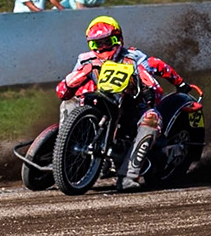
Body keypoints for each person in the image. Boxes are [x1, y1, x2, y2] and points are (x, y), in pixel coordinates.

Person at [55, 16, 189, 190]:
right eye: (97, 44)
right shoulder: (85, 60)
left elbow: (157, 75)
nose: (102, 48)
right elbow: (63, 91)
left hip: (131, 108)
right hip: (96, 104)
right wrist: (73, 82)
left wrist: (154, 87)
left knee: (152, 119)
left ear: (118, 39)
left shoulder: (134, 58)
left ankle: (128, 175)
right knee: (68, 103)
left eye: (107, 42)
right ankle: (65, 153)